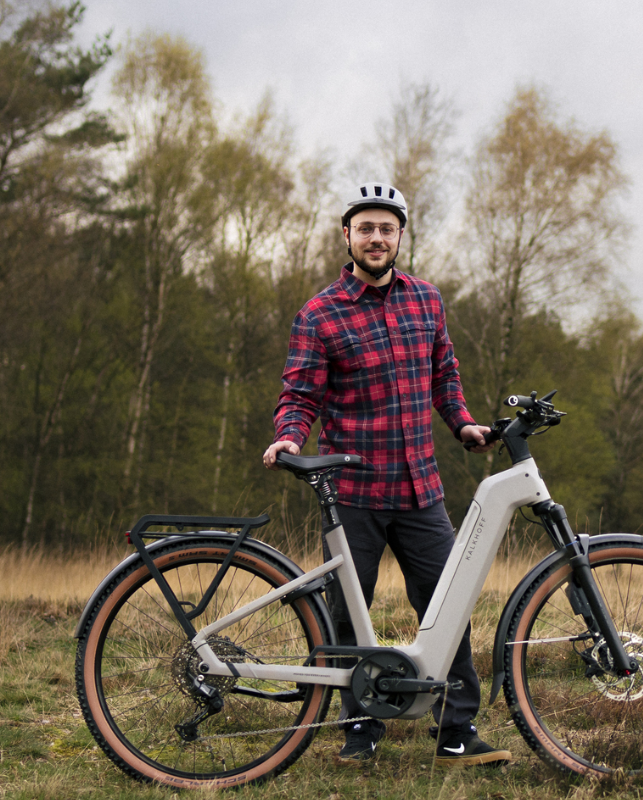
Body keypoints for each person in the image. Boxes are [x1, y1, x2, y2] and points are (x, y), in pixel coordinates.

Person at [262, 182, 509, 768]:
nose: (377, 238)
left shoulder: (426, 299)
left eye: (387, 228)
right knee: (350, 616)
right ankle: (359, 728)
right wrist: (289, 434)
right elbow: (300, 392)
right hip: (352, 491)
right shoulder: (320, 313)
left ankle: (456, 731)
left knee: (448, 606)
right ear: (347, 236)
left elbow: (444, 374)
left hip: (421, 488)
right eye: (366, 228)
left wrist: (464, 425)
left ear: (400, 236)